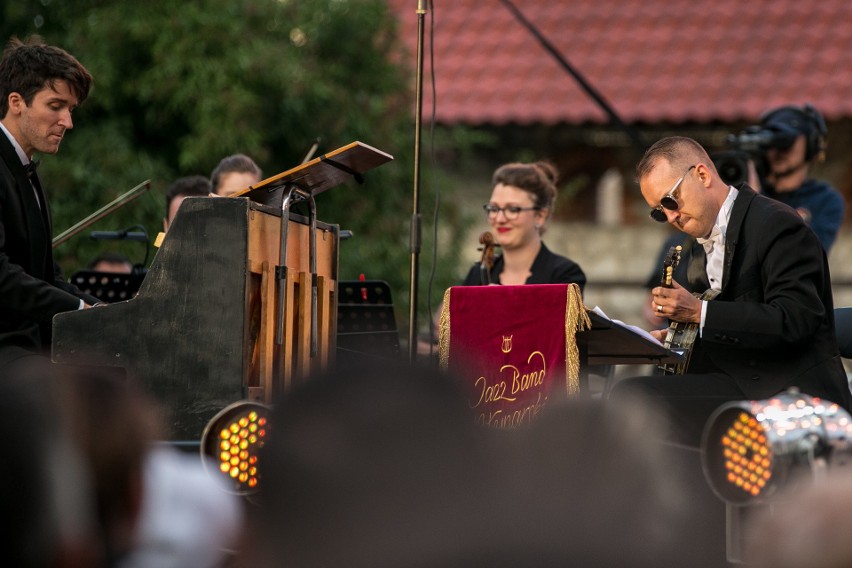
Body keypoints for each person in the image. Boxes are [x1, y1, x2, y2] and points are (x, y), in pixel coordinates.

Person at [610, 136, 852, 447]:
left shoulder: (778, 224)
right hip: (741, 384)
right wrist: (669, 341)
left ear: (702, 175)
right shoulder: (697, 247)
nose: (670, 217)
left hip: (790, 392)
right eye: (659, 212)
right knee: (634, 397)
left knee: (635, 400)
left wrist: (699, 313)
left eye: (670, 201)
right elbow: (728, 330)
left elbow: (796, 320)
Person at [0, 36, 100, 370]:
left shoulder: (26, 169)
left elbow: (44, 276)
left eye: (70, 110)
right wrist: (79, 311)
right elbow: (2, 277)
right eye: (55, 106)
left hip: (28, 348)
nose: (67, 122)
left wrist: (108, 312)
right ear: (17, 102)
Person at [462, 161, 586, 292]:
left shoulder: (564, 275)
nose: (500, 219)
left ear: (540, 216)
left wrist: (503, 301)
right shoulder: (478, 274)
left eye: (513, 209)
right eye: (494, 208)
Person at [758, 103, 844, 252]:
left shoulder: (824, 200)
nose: (778, 150)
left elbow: (810, 254)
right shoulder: (749, 190)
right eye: (773, 140)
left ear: (811, 145)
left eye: (786, 140)